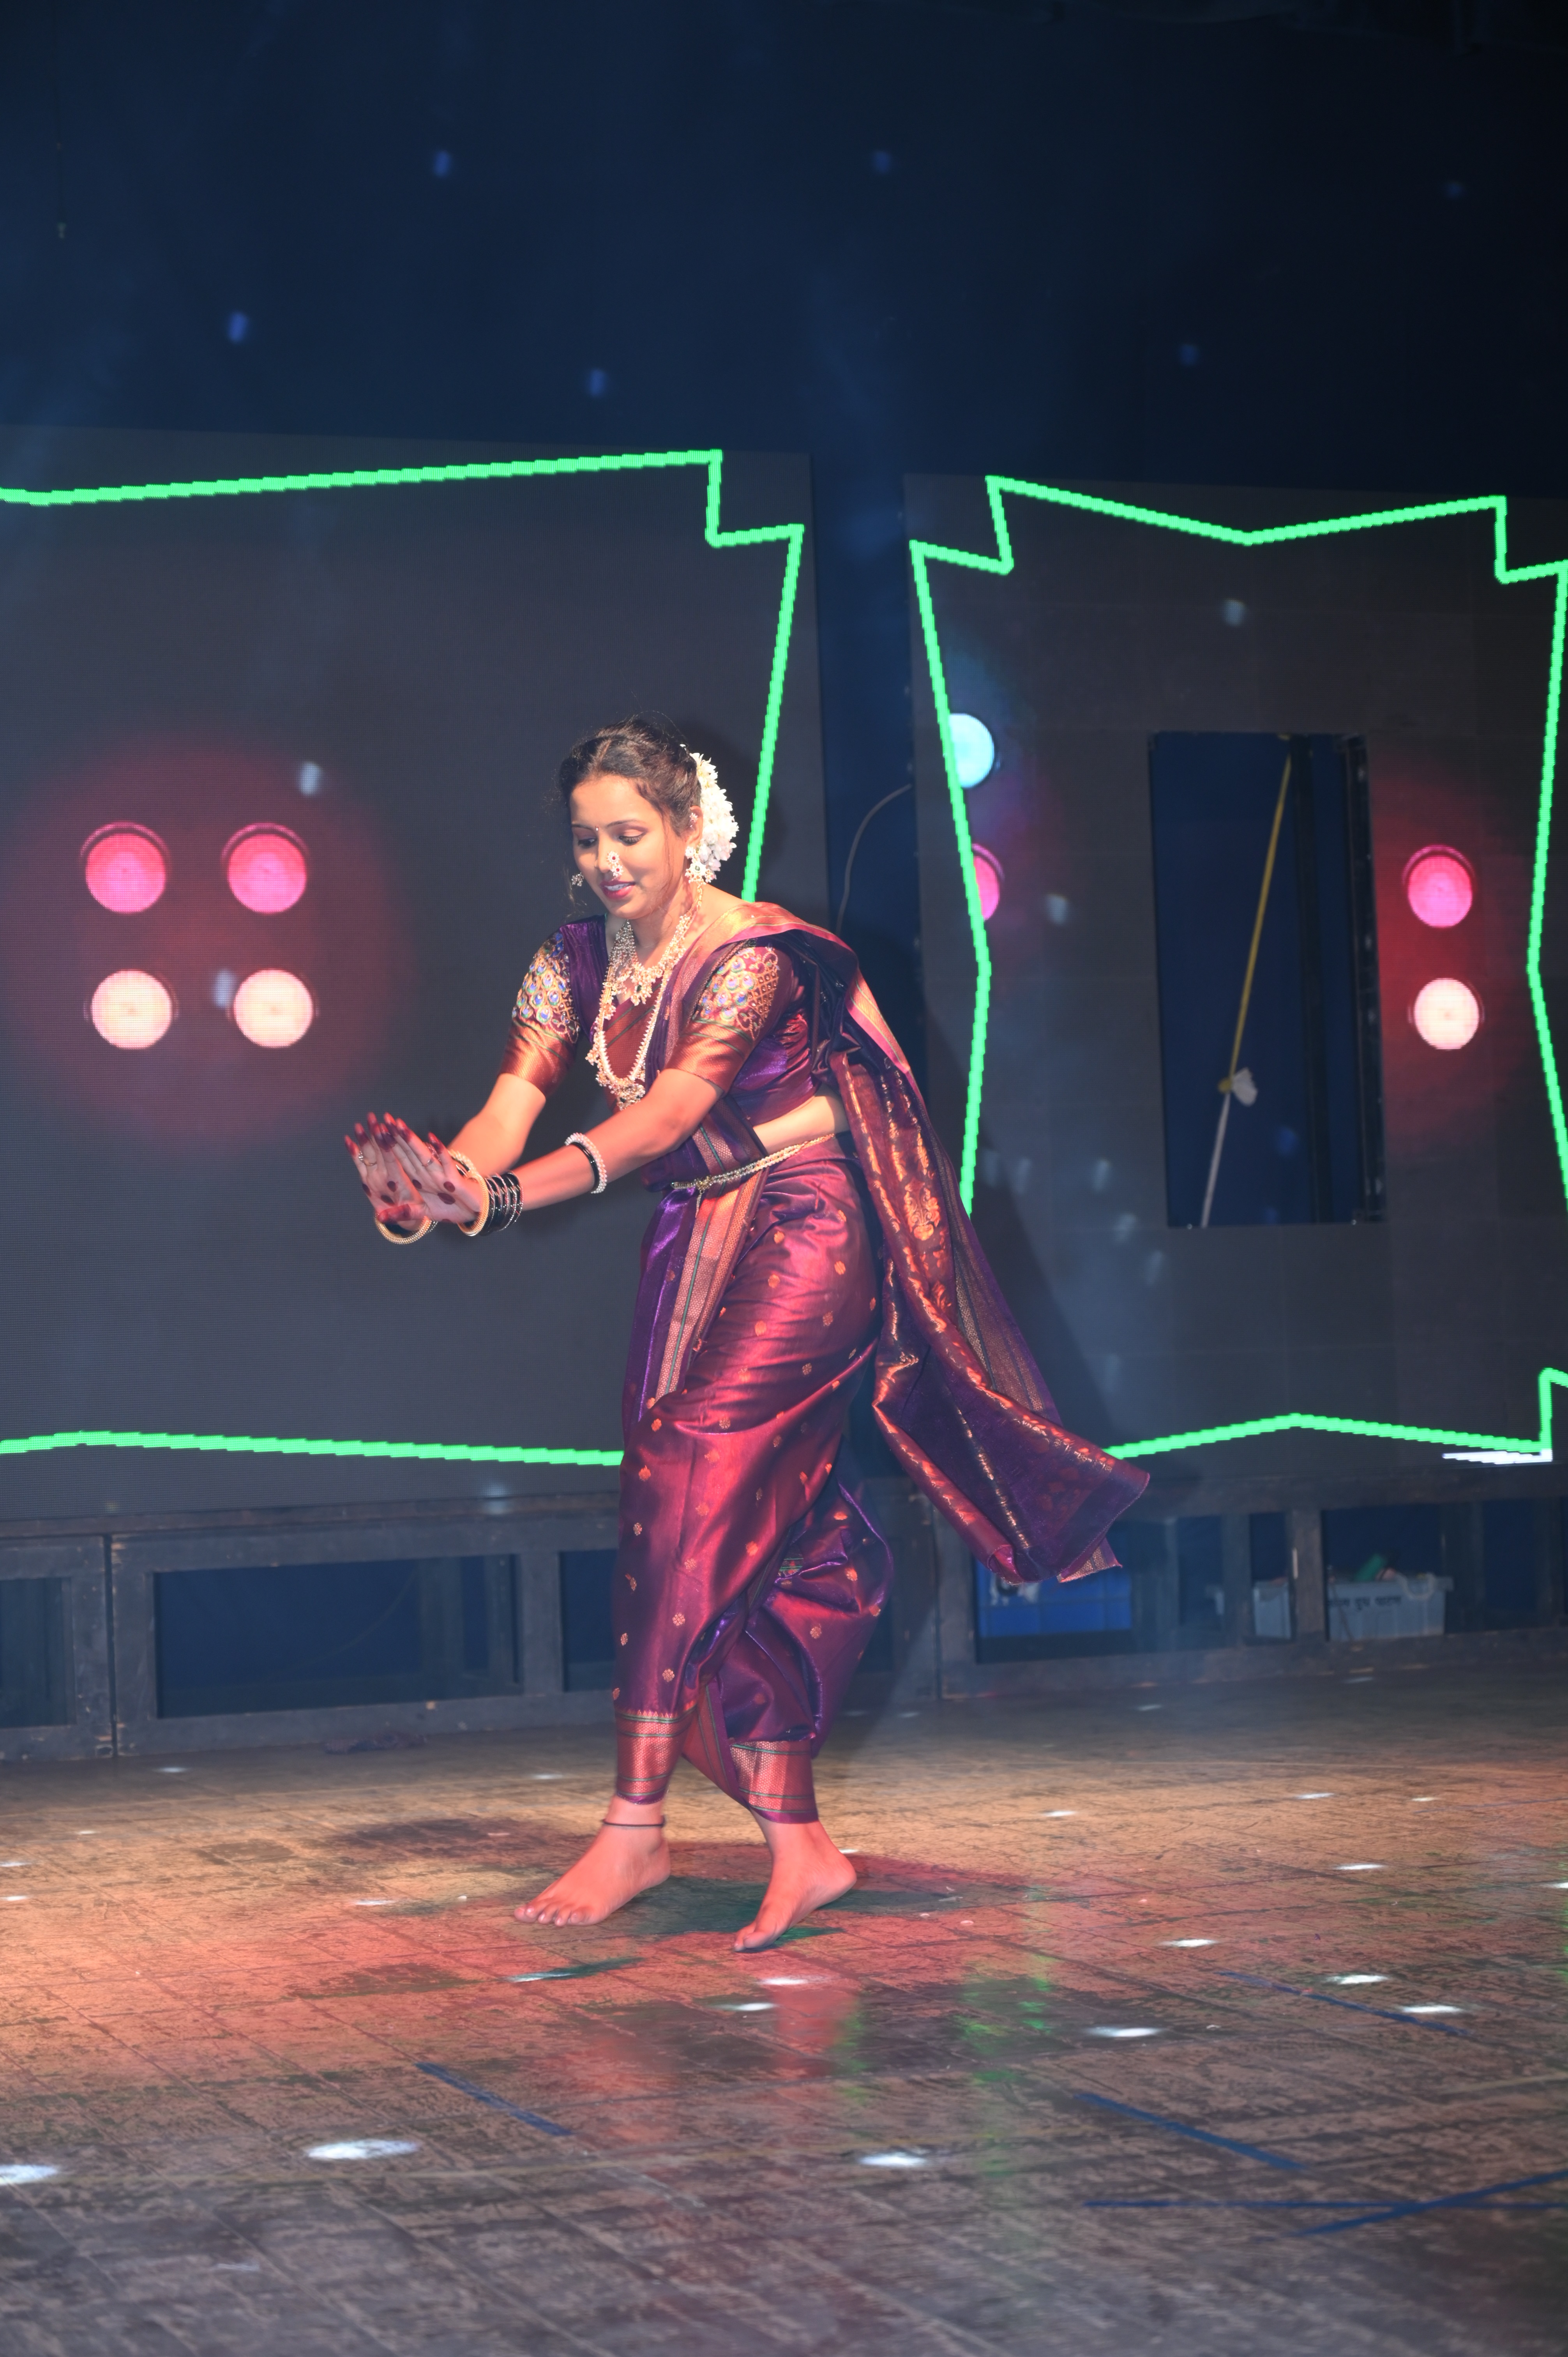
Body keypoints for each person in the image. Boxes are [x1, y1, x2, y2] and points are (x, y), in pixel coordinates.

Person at [348, 716, 1145, 1951]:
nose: (609, 862)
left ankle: (635, 1823)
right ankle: (798, 1843)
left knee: (692, 1461)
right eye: (588, 841)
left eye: (630, 834)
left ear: (687, 830)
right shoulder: (573, 958)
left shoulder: (750, 958)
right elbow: (515, 1101)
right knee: (742, 1521)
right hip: (697, 1233)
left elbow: (664, 1120)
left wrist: (499, 1200)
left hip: (812, 1217)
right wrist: (442, 1186)